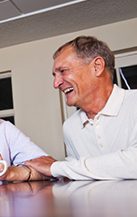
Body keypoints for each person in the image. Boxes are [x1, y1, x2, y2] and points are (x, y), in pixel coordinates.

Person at [26, 36, 137, 180]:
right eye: (54, 75)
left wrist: (57, 167)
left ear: (97, 67)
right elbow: (76, 174)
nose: (56, 83)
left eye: (63, 71)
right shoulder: (70, 127)